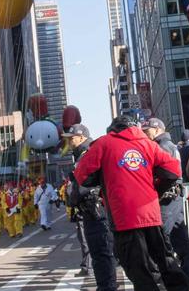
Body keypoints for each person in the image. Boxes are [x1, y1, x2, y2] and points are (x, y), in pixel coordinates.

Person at [73, 115, 189, 291]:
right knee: (166, 262)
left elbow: (82, 175)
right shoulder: (148, 144)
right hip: (151, 215)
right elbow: (173, 171)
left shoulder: (104, 144)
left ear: (112, 129)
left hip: (124, 219)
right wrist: (156, 188)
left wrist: (103, 178)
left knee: (138, 269)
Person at [62, 124, 118, 290]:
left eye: (71, 138)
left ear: (81, 137)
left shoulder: (88, 153)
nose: (69, 141)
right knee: (99, 253)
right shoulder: (83, 154)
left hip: (96, 209)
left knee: (102, 252)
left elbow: (81, 184)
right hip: (91, 209)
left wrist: (72, 197)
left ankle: (107, 287)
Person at [142, 118, 189, 287]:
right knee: (180, 237)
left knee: (160, 238)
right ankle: (187, 277)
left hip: (167, 198)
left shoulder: (161, 146)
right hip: (173, 197)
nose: (145, 133)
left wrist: (155, 192)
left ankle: (170, 278)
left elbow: (166, 174)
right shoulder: (169, 145)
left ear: (157, 129)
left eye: (147, 130)